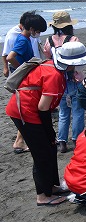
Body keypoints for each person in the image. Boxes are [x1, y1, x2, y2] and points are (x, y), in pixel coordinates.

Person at [5, 41, 86, 206]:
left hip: (32, 111)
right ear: (70, 64)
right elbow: (43, 108)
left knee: (50, 148)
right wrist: (50, 133)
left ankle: (52, 186)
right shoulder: (54, 75)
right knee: (42, 154)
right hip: (24, 112)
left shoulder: (54, 67)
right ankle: (42, 195)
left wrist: (50, 137)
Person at [2, 12, 44, 154]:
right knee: (27, 110)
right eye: (38, 31)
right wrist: (23, 68)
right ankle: (19, 142)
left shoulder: (24, 38)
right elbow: (10, 57)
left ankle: (19, 141)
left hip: (26, 79)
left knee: (27, 109)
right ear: (31, 29)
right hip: (25, 81)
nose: (38, 34)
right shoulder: (23, 40)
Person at [42, 11, 82, 153]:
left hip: (58, 80)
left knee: (64, 112)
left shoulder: (49, 40)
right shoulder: (73, 39)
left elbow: (47, 56)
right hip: (73, 78)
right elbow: (79, 58)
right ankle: (77, 139)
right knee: (77, 110)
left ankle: (62, 142)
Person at [2, 11, 41, 77]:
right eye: (38, 31)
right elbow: (7, 55)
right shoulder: (14, 35)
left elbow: (38, 45)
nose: (38, 33)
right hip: (22, 68)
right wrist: (20, 69)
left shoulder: (29, 34)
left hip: (31, 64)